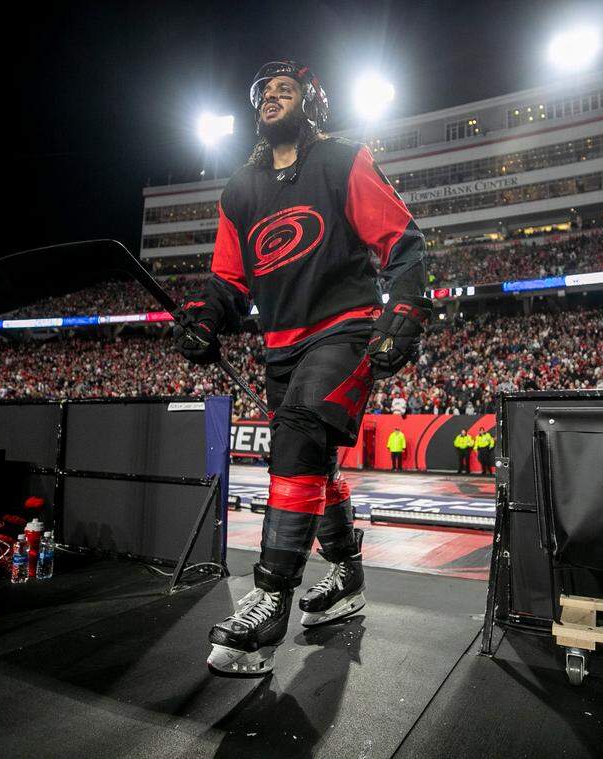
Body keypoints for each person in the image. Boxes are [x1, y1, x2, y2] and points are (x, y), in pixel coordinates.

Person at [174, 60, 430, 676]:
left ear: (310, 104)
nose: (271, 97)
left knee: (298, 428)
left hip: (344, 328)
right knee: (309, 458)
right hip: (280, 343)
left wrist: (407, 310)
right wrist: (204, 322)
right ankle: (346, 577)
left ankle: (270, 597)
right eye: (264, 91)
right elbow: (227, 280)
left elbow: (402, 241)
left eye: (286, 90)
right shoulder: (239, 189)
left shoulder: (343, 160)